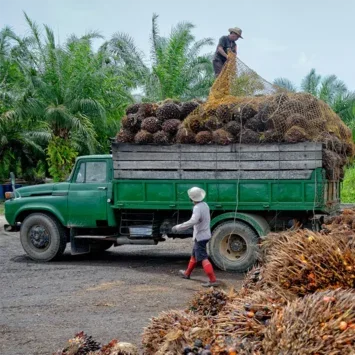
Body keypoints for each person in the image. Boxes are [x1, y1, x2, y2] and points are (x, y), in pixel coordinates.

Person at [172, 187, 219, 287]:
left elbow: (193, 221)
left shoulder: (197, 208)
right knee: (194, 255)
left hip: (200, 236)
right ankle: (187, 273)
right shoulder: (205, 205)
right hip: (205, 234)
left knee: (203, 258)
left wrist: (178, 227)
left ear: (192, 199)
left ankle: (213, 280)